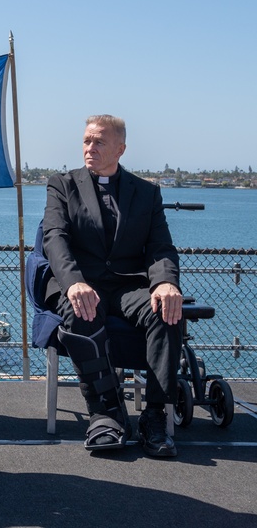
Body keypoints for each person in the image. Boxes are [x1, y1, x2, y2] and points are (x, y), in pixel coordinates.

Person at [41, 114, 182, 457]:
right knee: (82, 313)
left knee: (166, 313)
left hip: (124, 285)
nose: (90, 148)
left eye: (99, 142)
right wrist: (73, 282)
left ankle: (154, 417)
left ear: (120, 149)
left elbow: (160, 246)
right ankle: (106, 413)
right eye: (87, 141)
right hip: (79, 283)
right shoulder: (62, 184)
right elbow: (54, 238)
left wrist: (164, 283)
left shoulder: (146, 193)